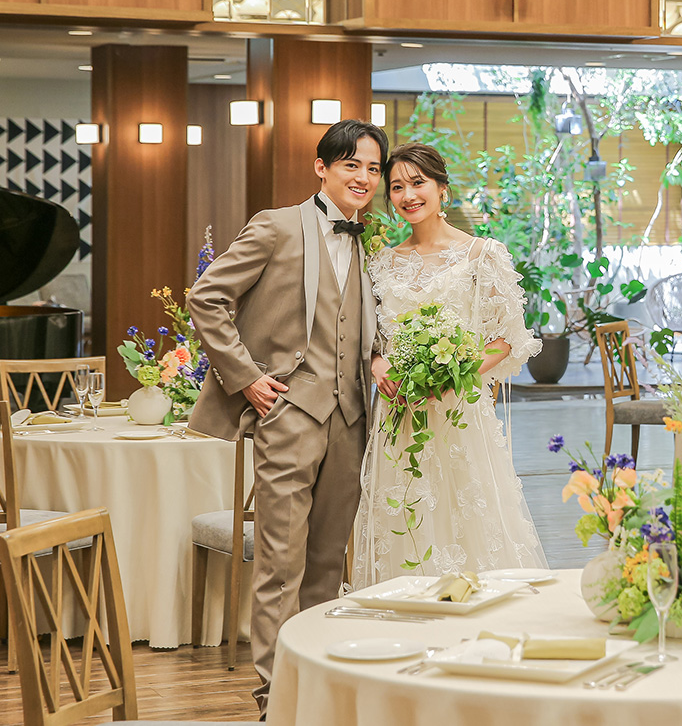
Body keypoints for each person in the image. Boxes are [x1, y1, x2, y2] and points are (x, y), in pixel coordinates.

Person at [187, 119, 389, 718]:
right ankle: (274, 698)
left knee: (328, 561)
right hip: (288, 413)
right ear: (321, 168)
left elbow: (360, 326)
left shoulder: (368, 242)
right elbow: (207, 297)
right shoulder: (276, 225)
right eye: (351, 164)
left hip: (351, 417)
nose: (364, 177)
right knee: (280, 562)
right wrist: (247, 376)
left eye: (373, 168)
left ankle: (315, 684)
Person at [352, 142, 547, 587]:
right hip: (399, 415)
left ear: (443, 189)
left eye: (417, 183)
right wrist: (379, 364)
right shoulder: (380, 263)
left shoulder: (483, 254)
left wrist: (451, 376)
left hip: (459, 412)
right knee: (407, 518)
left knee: (468, 520)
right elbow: (371, 338)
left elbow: (508, 340)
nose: (407, 195)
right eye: (396, 187)